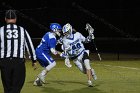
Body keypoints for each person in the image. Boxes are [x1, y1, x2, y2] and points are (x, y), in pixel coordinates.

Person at [0, 10, 37, 93]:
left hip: (4, 62)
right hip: (18, 62)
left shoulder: (1, 30)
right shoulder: (22, 30)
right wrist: (34, 60)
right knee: (16, 87)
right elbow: (29, 45)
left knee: (7, 88)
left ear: (5, 19)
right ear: (15, 19)